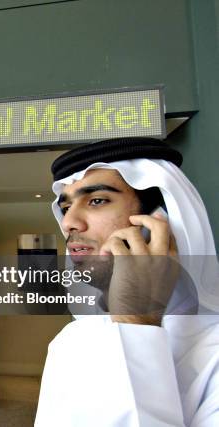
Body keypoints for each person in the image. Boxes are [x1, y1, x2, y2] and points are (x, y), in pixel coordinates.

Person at [35, 137, 219, 426]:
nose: (69, 222)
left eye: (97, 200)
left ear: (161, 220)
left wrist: (137, 320)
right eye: (66, 207)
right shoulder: (72, 340)